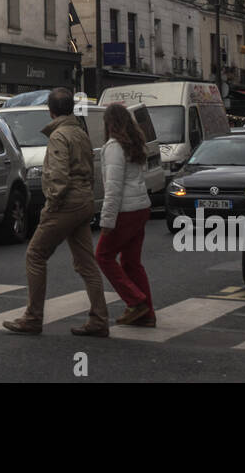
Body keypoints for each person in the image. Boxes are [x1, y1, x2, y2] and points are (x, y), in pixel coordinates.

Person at [4, 87, 109, 337]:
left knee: (35, 255)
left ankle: (33, 317)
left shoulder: (59, 136)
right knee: (86, 263)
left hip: (66, 203)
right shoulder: (81, 133)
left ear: (50, 112)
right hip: (84, 200)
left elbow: (59, 177)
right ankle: (99, 318)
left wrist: (50, 206)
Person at [94, 103, 155, 327]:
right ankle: (147, 313)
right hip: (141, 207)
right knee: (131, 263)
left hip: (125, 211)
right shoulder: (135, 144)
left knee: (103, 256)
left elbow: (113, 187)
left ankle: (136, 302)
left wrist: (107, 221)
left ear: (109, 123)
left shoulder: (113, 147)